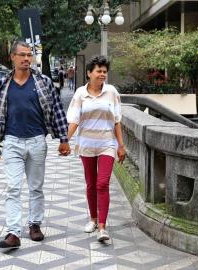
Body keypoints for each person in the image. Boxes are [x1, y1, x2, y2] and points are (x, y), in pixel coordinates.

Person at [0, 40, 71, 250]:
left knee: (36, 187)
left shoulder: (43, 81)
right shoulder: (3, 83)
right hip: (12, 142)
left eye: (29, 55)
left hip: (37, 142)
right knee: (13, 188)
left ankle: (34, 225)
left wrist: (63, 139)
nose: (26, 59)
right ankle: (13, 233)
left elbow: (57, 109)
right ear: (12, 58)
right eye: (22, 55)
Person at [66, 55, 125, 242]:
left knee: (102, 183)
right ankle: (93, 218)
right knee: (91, 183)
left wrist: (121, 146)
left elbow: (117, 120)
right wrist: (64, 140)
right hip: (87, 144)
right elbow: (74, 120)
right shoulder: (80, 94)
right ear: (89, 73)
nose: (102, 75)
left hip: (107, 144)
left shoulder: (112, 92)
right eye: (98, 71)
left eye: (105, 72)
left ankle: (102, 227)